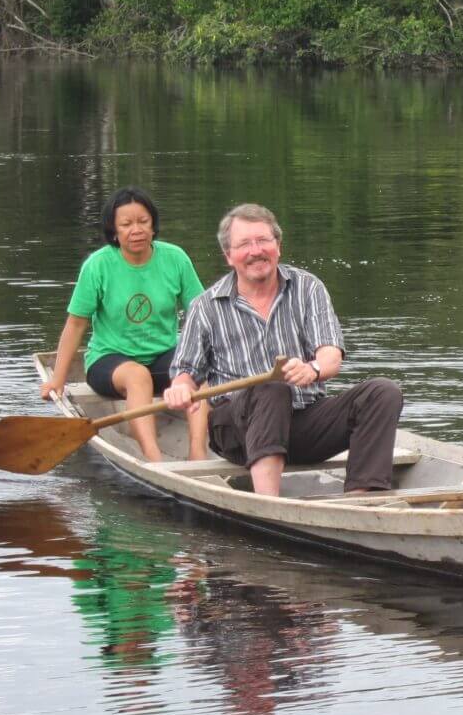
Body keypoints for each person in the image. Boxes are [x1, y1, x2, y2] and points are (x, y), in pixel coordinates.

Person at [163, 203, 403, 498]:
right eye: (244, 244)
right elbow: (186, 373)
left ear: (278, 246)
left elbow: (330, 355)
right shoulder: (206, 306)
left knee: (383, 392)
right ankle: (270, 504)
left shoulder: (308, 288)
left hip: (302, 423)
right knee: (272, 388)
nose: (256, 251)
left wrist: (311, 369)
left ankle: (363, 498)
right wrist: (180, 389)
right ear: (229, 256)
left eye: (263, 241)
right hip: (238, 429)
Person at [41, 186, 209, 463]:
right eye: (127, 224)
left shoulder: (175, 258)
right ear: (114, 230)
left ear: (153, 225)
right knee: (137, 376)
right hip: (110, 360)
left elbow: (203, 315)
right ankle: (153, 458)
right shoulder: (98, 265)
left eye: (143, 222)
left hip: (163, 355)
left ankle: (198, 451)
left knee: (198, 370)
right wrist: (58, 379)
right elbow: (75, 325)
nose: (137, 230)